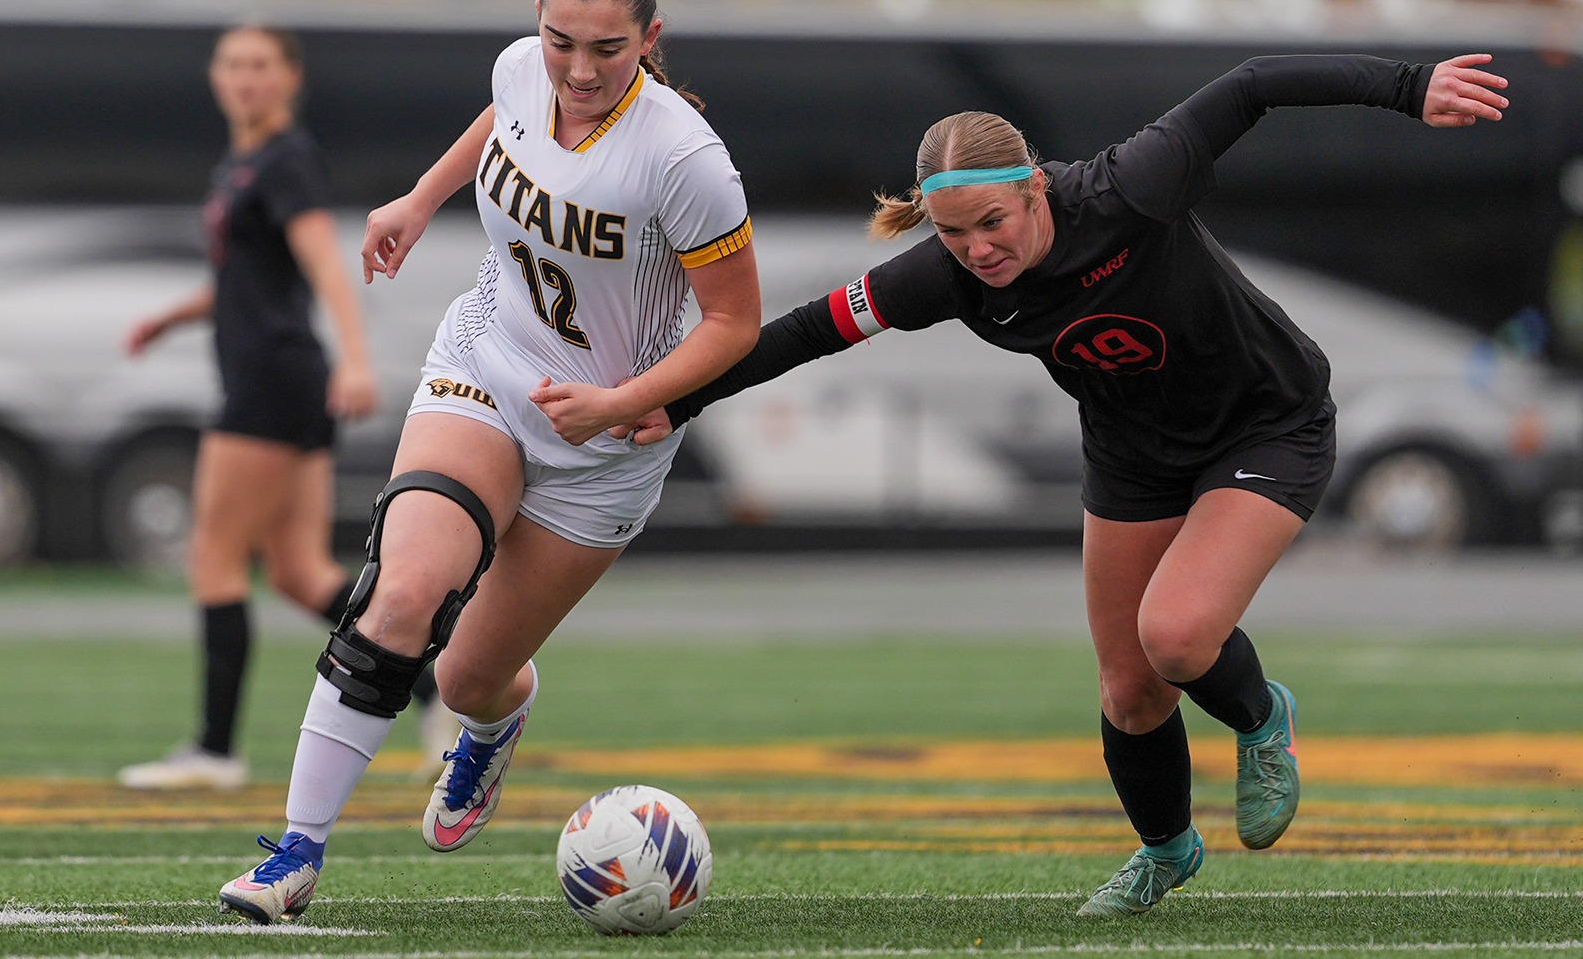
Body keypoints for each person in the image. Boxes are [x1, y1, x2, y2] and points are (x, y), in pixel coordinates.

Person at [608, 53, 1508, 915]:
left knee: (1177, 638)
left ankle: (1264, 716)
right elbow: (806, 330)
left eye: (993, 224)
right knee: (1129, 687)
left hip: (1266, 421)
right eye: (953, 235)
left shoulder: (1132, 185)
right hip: (1130, 453)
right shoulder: (950, 277)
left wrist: (1410, 86)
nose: (977, 251)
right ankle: (1166, 853)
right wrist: (679, 402)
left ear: (1036, 187)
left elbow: (1254, 85)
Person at [214, 0, 761, 924]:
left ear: (650, 38)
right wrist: (421, 199)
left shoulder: (684, 156)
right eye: (561, 41)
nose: (579, 69)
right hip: (486, 367)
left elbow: (737, 322)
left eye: (607, 48)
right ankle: (294, 855)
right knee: (404, 592)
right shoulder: (521, 70)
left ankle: (492, 725)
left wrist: (624, 400)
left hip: (605, 447)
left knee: (470, 677)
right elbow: (502, 120)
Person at [119, 25, 456, 792]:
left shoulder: (286, 160)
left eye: (261, 65)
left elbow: (320, 267)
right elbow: (248, 282)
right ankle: (435, 689)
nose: (246, 78)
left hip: (271, 382)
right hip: (283, 378)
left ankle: (214, 750)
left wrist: (358, 358)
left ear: (289, 78)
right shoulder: (237, 167)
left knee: (213, 556)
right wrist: (173, 318)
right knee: (303, 574)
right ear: (215, 76)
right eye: (234, 64)